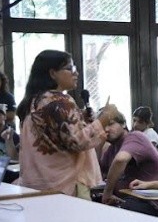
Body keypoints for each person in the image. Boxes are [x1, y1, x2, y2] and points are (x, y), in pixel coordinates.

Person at [15, 49, 116, 198]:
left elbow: (55, 135)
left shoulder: (32, 101)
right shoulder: (60, 102)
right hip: (64, 184)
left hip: (36, 183)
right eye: (69, 68)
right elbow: (78, 142)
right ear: (52, 73)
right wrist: (104, 119)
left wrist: (80, 119)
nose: (76, 73)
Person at [98, 110, 158, 205]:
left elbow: (120, 160)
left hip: (152, 200)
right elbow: (97, 171)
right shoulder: (112, 148)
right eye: (102, 127)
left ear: (123, 124)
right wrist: (99, 143)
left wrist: (107, 193)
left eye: (110, 124)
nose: (106, 129)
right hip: (128, 199)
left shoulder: (135, 137)